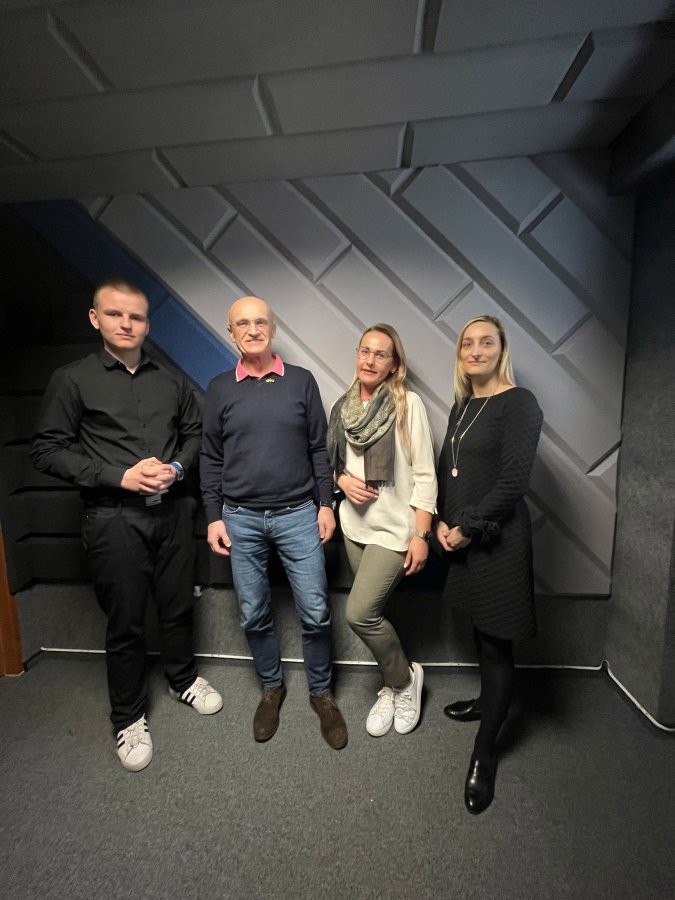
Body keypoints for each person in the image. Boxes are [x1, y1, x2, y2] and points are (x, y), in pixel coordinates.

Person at [30, 278, 223, 773]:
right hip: (113, 519)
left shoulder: (171, 380)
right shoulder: (72, 380)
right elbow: (46, 451)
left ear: (147, 324)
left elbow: (195, 435)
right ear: (95, 319)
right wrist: (119, 476)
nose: (126, 324)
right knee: (126, 623)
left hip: (173, 512)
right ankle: (129, 717)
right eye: (115, 315)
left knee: (177, 607)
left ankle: (182, 679)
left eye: (135, 316)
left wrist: (176, 468)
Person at [200, 295, 347, 750]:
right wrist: (213, 517)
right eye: (242, 323)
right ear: (231, 332)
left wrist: (326, 504)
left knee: (316, 611)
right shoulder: (220, 388)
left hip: (299, 515)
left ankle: (321, 693)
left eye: (260, 321)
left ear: (273, 328)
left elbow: (318, 449)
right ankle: (271, 688)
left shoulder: (301, 381)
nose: (252, 329)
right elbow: (210, 457)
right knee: (253, 612)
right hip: (239, 519)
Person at [435, 314, 542, 814]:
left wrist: (469, 526)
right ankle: (487, 703)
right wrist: (442, 519)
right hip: (463, 537)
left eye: (486, 343)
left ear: (502, 350)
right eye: (467, 343)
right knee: (481, 628)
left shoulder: (519, 402)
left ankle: (486, 750)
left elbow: (515, 480)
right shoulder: (462, 405)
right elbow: (448, 470)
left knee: (498, 643)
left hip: (498, 540)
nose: (475, 350)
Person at [327, 324, 437, 737]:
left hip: (394, 530)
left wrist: (421, 536)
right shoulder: (343, 407)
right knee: (376, 613)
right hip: (354, 527)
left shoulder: (408, 405)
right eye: (364, 351)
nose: (369, 360)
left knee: (360, 614)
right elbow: (332, 464)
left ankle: (405, 682)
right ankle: (392, 684)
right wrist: (341, 481)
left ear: (394, 364)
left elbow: (425, 474)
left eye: (381, 354)